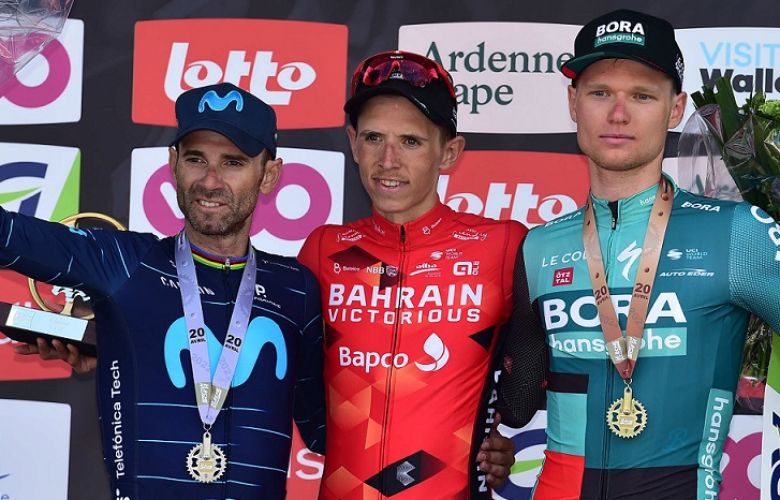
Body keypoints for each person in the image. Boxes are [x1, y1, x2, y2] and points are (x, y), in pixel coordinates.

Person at [506, 9, 780, 498]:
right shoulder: (539, 246)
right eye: (600, 93)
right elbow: (516, 404)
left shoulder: (737, 233)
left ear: (675, 108)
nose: (618, 114)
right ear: (572, 103)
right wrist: (486, 443)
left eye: (642, 95)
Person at [8, 82, 325, 499]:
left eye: (232, 162)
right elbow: (9, 236)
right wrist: (124, 349)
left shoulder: (296, 287)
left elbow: (325, 430)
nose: (210, 181)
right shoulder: (125, 264)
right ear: (173, 163)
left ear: (269, 175)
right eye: (195, 159)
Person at [298, 50, 547, 499]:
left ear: (449, 152)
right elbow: (296, 387)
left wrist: (497, 435)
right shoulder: (324, 250)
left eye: (410, 141)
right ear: (352, 143)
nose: (388, 160)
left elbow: (531, 377)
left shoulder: (503, 245)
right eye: (373, 138)